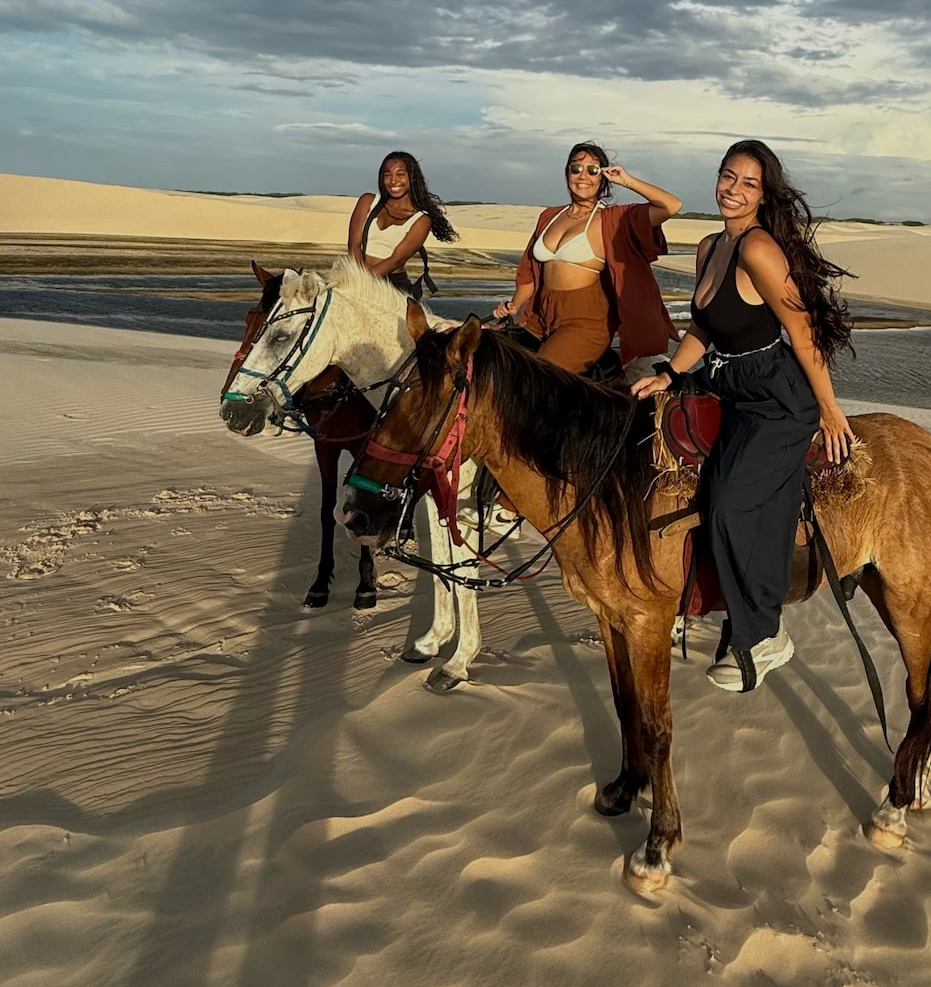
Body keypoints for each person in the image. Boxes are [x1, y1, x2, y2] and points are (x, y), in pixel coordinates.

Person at [632, 141, 856, 694]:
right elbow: (703, 330)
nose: (733, 189)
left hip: (777, 396)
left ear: (763, 194)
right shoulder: (709, 245)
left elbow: (802, 334)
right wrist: (672, 374)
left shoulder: (759, 249)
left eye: (748, 183)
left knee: (729, 501)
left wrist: (829, 409)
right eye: (727, 176)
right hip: (725, 378)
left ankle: (763, 631)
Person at [493, 143, 680, 375]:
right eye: (576, 168)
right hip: (541, 316)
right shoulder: (550, 216)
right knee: (488, 361)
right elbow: (530, 271)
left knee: (539, 377)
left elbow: (671, 206)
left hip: (585, 320)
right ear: (567, 172)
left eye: (593, 170)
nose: (583, 176)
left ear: (602, 177)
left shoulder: (614, 219)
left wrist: (627, 180)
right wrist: (514, 305)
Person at [348, 150, 458, 295]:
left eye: (400, 174)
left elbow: (396, 260)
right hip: (355, 277)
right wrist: (356, 279)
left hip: (392, 286)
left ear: (412, 177)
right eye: (387, 175)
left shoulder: (421, 220)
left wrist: (363, 283)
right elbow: (353, 244)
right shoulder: (368, 201)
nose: (393, 180)